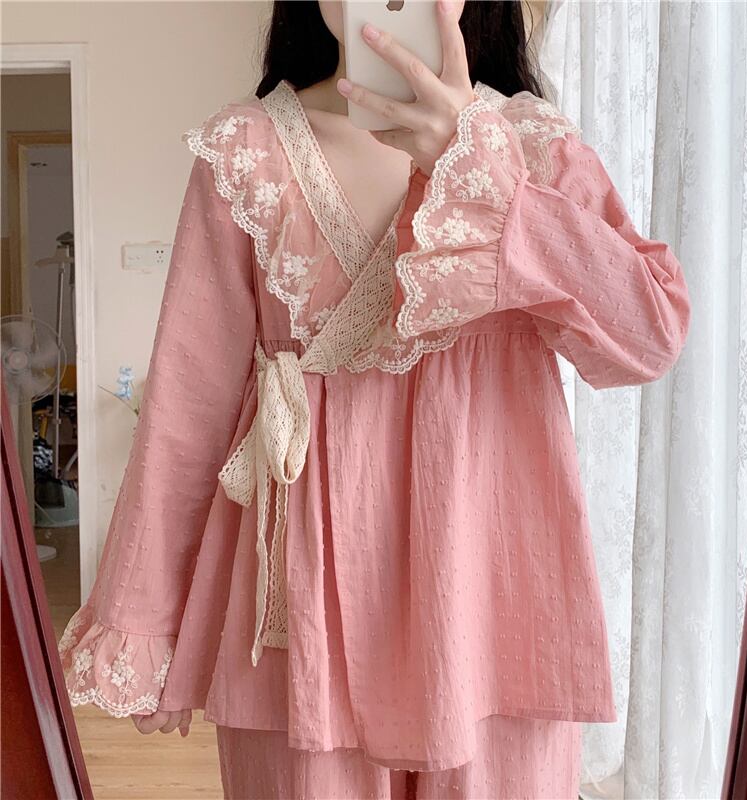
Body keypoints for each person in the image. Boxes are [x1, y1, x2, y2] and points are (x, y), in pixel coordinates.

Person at [57, 1, 691, 797]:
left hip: (491, 606)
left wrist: (482, 171)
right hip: (303, 621)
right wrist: (147, 618)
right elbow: (188, 411)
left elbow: (648, 335)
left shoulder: (530, 146)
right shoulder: (247, 151)